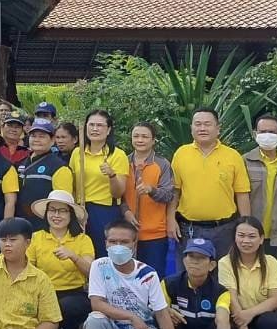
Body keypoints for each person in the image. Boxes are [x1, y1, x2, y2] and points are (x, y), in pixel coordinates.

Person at [83, 220, 180, 329]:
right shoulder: (99, 266)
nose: (118, 246)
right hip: (112, 328)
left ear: (134, 244)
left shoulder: (148, 274)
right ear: (105, 243)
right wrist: (131, 317)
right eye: (113, 241)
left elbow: (162, 313)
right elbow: (96, 304)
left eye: (124, 242)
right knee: (94, 320)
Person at [169, 107, 250, 259]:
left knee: (223, 271)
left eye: (207, 124)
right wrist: (170, 219)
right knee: (190, 271)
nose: (202, 128)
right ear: (191, 128)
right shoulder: (181, 154)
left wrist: (245, 226)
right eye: (198, 124)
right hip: (189, 229)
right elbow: (175, 191)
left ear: (218, 128)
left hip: (224, 230)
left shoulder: (233, 156)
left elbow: (242, 194)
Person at [26, 191, 95, 329]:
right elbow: (27, 269)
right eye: (52, 210)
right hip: (42, 292)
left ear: (71, 215)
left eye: (62, 211)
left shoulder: (83, 240)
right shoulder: (35, 238)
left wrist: (74, 257)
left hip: (74, 293)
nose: (56, 215)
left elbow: (91, 272)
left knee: (68, 306)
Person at [164, 237, 234, 329]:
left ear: (212, 265)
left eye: (201, 258)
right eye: (191, 256)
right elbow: (156, 312)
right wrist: (167, 311)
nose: (195, 262)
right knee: (164, 316)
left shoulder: (221, 292)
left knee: (226, 326)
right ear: (184, 260)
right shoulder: (168, 284)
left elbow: (222, 321)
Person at [70, 109, 128, 257]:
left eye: (100, 125)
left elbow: (118, 193)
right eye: (91, 125)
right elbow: (72, 185)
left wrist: (112, 175)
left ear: (108, 130)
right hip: (80, 209)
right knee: (81, 253)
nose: (95, 129)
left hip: (104, 211)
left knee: (102, 254)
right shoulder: (77, 153)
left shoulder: (117, 155)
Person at [122, 122, 173, 277]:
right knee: (129, 277)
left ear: (153, 140)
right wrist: (126, 212)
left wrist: (151, 190)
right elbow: (117, 196)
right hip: (127, 233)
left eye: (145, 136)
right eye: (136, 136)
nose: (140, 140)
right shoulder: (123, 162)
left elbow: (168, 195)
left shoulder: (162, 164)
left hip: (154, 234)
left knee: (152, 277)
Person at [243, 112, 277, 257]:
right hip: (251, 235)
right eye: (263, 132)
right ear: (255, 134)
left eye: (272, 132)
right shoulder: (244, 162)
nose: (267, 135)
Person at [16, 120, 72, 224]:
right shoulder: (21, 163)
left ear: (52, 140)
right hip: (21, 223)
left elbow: (63, 204)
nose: (36, 140)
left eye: (42, 136)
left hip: (44, 225)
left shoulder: (59, 167)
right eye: (33, 136)